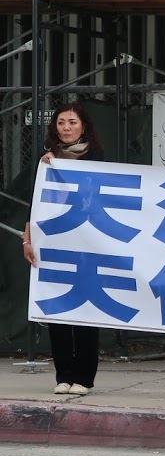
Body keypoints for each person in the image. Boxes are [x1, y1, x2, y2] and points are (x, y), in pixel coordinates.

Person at [22, 103, 105, 396]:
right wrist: (27, 239)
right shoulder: (48, 161)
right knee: (57, 309)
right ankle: (63, 376)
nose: (66, 127)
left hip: (87, 246)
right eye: (61, 122)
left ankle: (84, 377)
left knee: (85, 309)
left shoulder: (97, 158)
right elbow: (36, 205)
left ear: (84, 126)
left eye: (72, 122)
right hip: (55, 244)